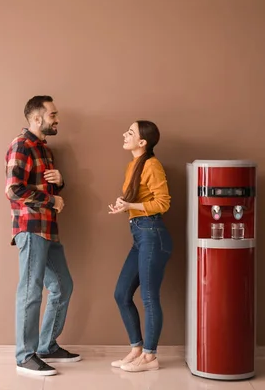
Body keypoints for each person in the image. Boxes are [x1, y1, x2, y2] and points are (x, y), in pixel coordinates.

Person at [5, 95, 81, 376]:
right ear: (36, 118)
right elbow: (13, 190)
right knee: (30, 291)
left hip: (48, 229)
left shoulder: (45, 150)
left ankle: (47, 345)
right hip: (31, 229)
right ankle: (25, 356)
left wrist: (59, 184)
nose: (56, 118)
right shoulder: (21, 145)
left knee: (63, 286)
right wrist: (52, 201)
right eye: (52, 114)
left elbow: (46, 190)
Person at [108, 120, 173, 372]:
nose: (125, 134)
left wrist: (131, 207)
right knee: (121, 294)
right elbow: (137, 199)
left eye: (131, 133)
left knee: (148, 297)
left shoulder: (153, 165)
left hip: (153, 234)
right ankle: (136, 349)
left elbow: (163, 203)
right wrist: (123, 206)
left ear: (143, 142)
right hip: (140, 234)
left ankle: (150, 357)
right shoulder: (133, 165)